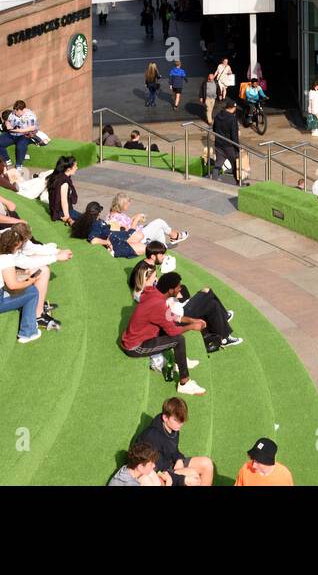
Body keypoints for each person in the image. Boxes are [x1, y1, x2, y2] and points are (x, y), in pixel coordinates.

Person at [0, 226, 71, 344]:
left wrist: (22, 274)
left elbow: (1, 272)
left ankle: (30, 312)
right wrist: (30, 281)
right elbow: (13, 286)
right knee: (32, 292)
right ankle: (28, 332)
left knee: (23, 284)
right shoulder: (7, 258)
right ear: (14, 245)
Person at [122, 265, 209, 396]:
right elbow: (173, 332)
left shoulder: (154, 293)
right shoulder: (157, 304)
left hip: (141, 336)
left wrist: (190, 320)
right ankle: (184, 383)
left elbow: (169, 316)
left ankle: (181, 360)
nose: (181, 289)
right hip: (135, 347)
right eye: (178, 287)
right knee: (179, 339)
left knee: (170, 325)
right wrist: (192, 327)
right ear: (170, 290)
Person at [135, 398, 214, 484]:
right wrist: (181, 477)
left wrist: (179, 459)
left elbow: (174, 449)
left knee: (207, 463)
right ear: (165, 417)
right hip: (159, 472)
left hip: (171, 463)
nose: (180, 425)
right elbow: (154, 469)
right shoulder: (152, 436)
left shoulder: (173, 427)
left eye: (182, 421)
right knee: (192, 475)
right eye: (176, 420)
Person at [109, 193, 189, 247]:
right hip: (139, 237)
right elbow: (129, 234)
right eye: (127, 205)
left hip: (140, 231)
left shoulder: (115, 214)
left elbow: (126, 224)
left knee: (160, 231)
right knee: (159, 222)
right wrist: (136, 220)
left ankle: (161, 249)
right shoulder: (115, 220)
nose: (128, 206)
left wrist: (135, 217)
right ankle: (174, 236)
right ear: (122, 205)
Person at [72, 201, 146, 258]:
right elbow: (93, 240)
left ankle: (132, 241)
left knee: (140, 235)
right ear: (98, 213)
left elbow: (77, 223)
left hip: (115, 236)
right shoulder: (95, 225)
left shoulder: (92, 220)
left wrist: (69, 220)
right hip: (116, 244)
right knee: (143, 248)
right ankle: (131, 242)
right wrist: (107, 242)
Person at [0, 100, 39, 169]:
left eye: (17, 111)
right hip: (12, 133)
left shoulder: (30, 115)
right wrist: (8, 125)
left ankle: (19, 164)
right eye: (15, 111)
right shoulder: (13, 113)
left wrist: (20, 131)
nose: (16, 113)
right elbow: (7, 120)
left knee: (20, 147)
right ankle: (6, 160)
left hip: (24, 135)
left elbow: (32, 127)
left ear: (23, 110)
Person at [211, 101, 245, 185]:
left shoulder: (218, 115)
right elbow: (234, 136)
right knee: (235, 164)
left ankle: (213, 180)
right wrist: (237, 147)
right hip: (229, 146)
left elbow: (214, 129)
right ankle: (239, 183)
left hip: (218, 144)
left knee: (218, 163)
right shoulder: (232, 119)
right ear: (232, 108)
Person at [108, 442, 172, 486]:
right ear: (140, 467)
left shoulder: (129, 470)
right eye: (151, 464)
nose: (154, 465)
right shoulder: (130, 483)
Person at [46, 155, 79, 226]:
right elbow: (64, 201)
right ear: (68, 169)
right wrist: (67, 217)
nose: (77, 168)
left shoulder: (57, 176)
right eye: (75, 166)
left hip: (56, 210)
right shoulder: (64, 182)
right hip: (62, 212)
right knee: (90, 221)